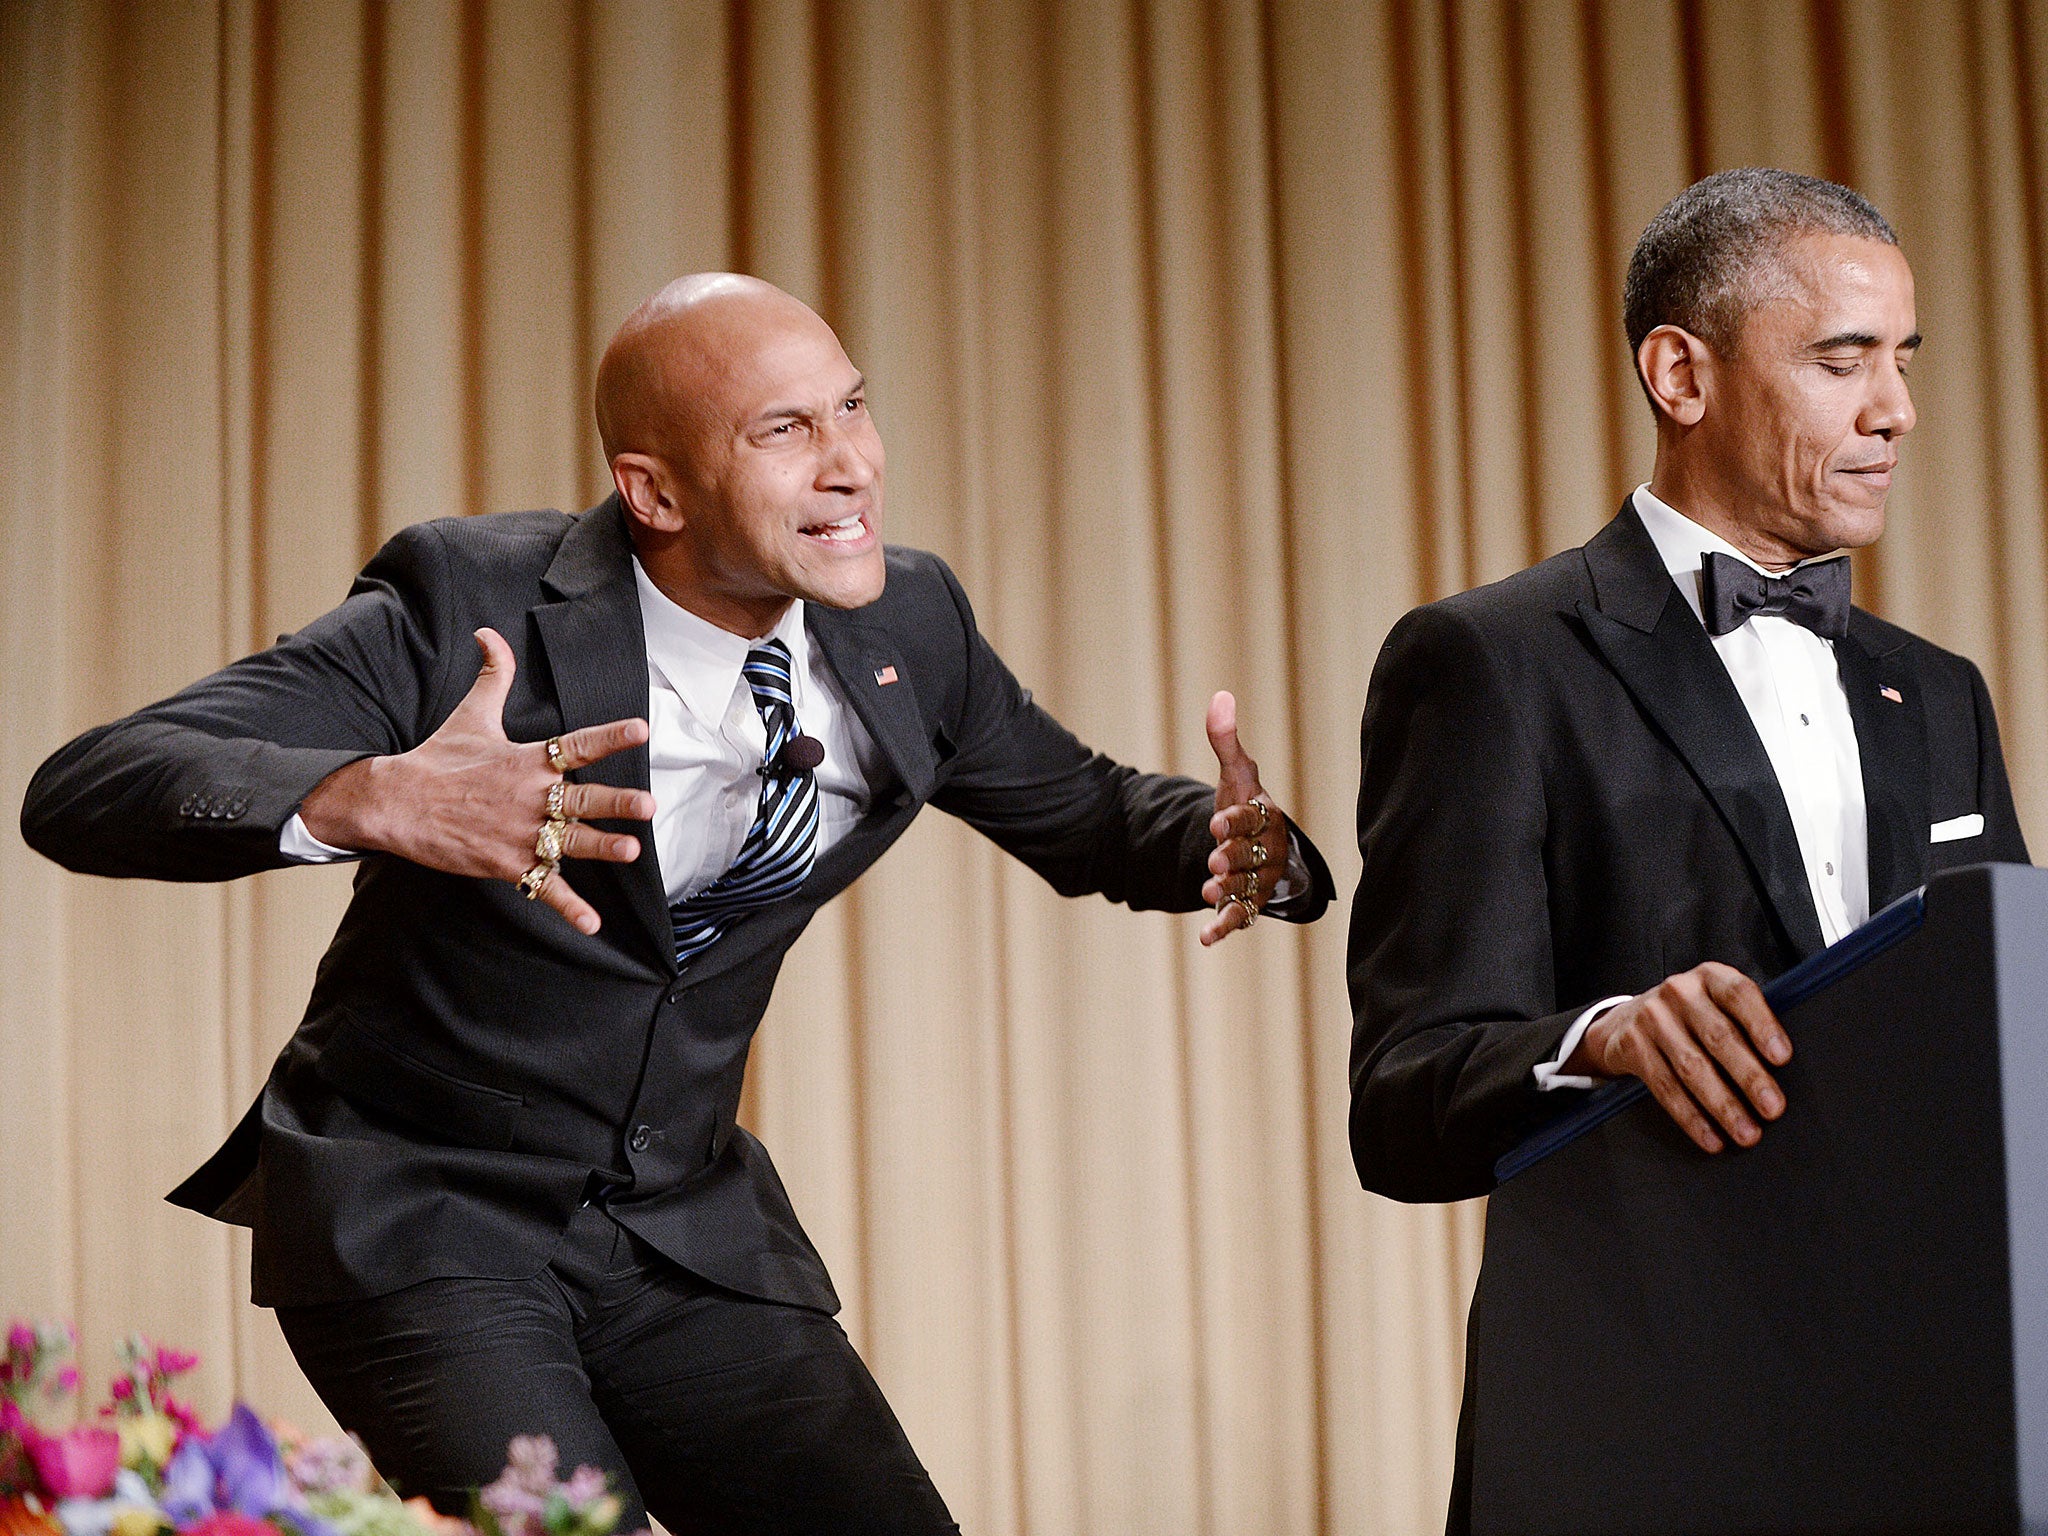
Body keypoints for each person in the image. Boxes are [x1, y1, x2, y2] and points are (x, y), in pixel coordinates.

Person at [22, 274, 1334, 1536]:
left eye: (853, 407)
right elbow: (91, 788)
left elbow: (1096, 814)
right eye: (785, 430)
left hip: (680, 1227)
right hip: (426, 1212)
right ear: (652, 489)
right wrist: (377, 799)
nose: (851, 463)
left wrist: (1246, 846)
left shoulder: (909, 627)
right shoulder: (471, 606)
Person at [1345, 169, 2029, 1530]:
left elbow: (2002, 1039)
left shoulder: (1935, 689)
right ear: (1681, 373)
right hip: (1648, 1412)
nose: (1896, 410)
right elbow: (1403, 1099)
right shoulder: (1493, 662)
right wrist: (1601, 1037)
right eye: (1842, 361)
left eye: (1901, 359)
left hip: (1935, 1409)